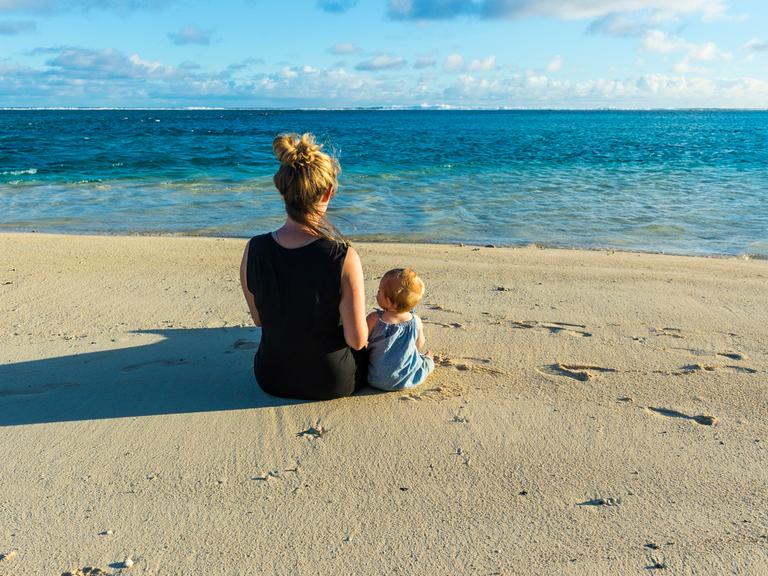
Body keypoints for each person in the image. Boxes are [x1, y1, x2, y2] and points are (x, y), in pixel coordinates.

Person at [240, 133, 368, 400]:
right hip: (333, 381)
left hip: (271, 377)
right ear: (328, 192)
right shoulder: (343, 256)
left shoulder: (254, 249)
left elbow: (260, 319)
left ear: (282, 191)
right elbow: (357, 340)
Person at [366, 268, 435, 391]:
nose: (377, 293)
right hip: (407, 379)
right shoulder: (416, 321)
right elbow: (419, 344)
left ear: (388, 301)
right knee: (425, 362)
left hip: (374, 379)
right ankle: (429, 360)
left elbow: (361, 340)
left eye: (379, 290)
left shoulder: (375, 319)